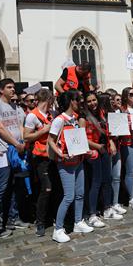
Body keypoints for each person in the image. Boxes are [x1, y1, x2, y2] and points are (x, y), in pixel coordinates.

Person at [48, 90, 96, 243]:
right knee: (68, 196)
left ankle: (78, 222)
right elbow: (50, 140)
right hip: (66, 163)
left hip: (78, 161)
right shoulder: (59, 120)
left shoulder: (75, 118)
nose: (80, 102)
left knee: (80, 193)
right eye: (77, 100)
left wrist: (86, 151)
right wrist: (60, 154)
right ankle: (58, 229)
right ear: (70, 101)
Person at [0, 79, 27, 237]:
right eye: (9, 87)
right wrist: (16, 143)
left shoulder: (15, 105)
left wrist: (21, 141)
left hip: (16, 150)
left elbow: (20, 124)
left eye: (13, 87)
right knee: (1, 188)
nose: (13, 90)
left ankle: (13, 218)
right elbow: (0, 128)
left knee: (15, 186)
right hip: (3, 152)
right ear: (1, 90)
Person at [23, 89, 56, 237]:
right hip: (40, 157)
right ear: (48, 99)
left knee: (53, 188)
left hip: (52, 155)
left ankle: (51, 217)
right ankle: (40, 222)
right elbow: (26, 137)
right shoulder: (32, 116)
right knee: (46, 188)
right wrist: (44, 130)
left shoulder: (50, 114)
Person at [83, 92, 114, 227]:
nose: (92, 103)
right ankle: (92, 214)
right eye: (89, 101)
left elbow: (107, 131)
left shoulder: (101, 112)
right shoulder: (83, 117)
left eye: (94, 100)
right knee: (95, 183)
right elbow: (82, 138)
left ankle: (107, 208)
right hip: (93, 153)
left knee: (107, 180)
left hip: (104, 149)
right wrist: (97, 147)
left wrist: (111, 143)